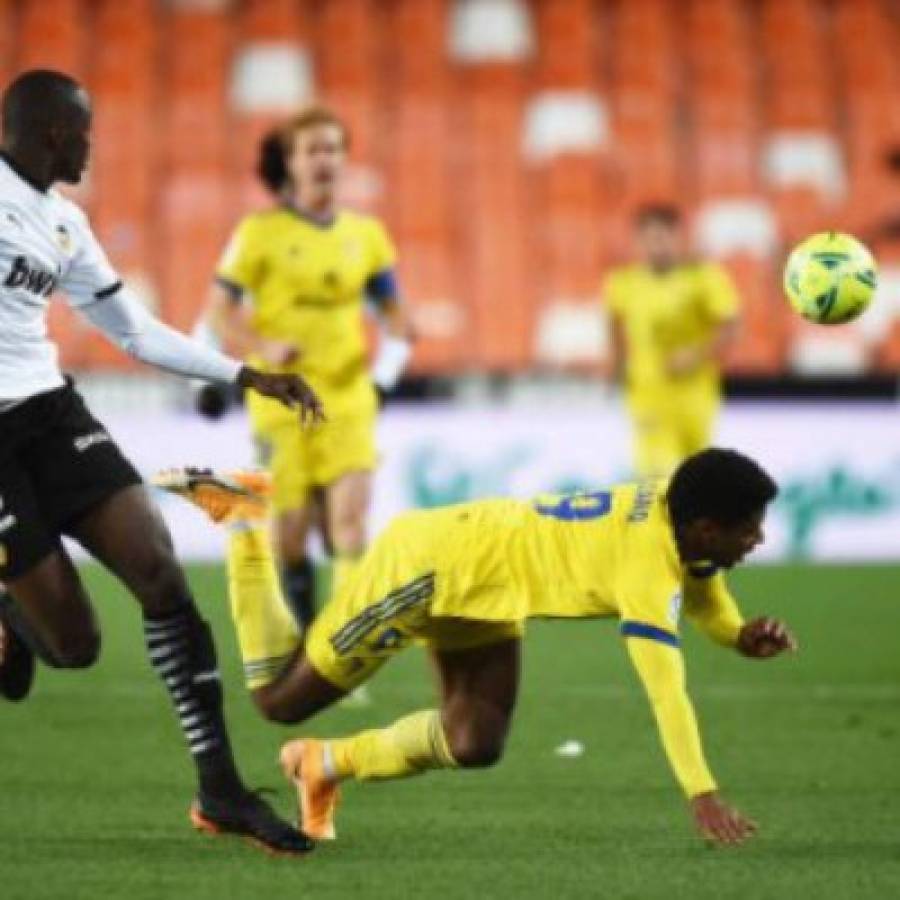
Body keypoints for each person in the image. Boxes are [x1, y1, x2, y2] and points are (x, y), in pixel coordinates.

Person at [157, 448, 797, 847]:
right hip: (429, 571)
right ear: (707, 526)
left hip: (489, 590)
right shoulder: (645, 571)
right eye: (749, 529)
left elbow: (704, 584)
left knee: (475, 742)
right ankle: (244, 518)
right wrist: (702, 793)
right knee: (278, 701)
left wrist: (739, 637)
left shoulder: (676, 514)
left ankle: (321, 765)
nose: (758, 540)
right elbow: (666, 691)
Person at [0, 69, 324, 855]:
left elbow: (136, 332)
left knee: (160, 572)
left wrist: (245, 374)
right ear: (52, 132)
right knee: (75, 647)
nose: (91, 145)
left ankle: (220, 789)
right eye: (84, 132)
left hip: (50, 410)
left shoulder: (62, 221)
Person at [203, 108, 414, 635]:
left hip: (346, 396)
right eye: (311, 150)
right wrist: (261, 344)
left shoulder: (366, 235)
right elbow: (218, 311)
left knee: (349, 522)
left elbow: (397, 317)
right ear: (291, 163)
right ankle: (304, 633)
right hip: (280, 400)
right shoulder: (257, 233)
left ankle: (343, 645)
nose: (324, 159)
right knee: (289, 535)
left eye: (332, 149)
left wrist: (386, 371)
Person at [603, 205, 740, 478]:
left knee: (697, 477)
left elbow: (730, 325)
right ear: (638, 242)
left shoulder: (704, 278)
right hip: (648, 392)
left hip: (696, 393)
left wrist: (697, 354)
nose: (657, 246)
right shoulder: (623, 282)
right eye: (649, 239)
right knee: (658, 477)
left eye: (663, 237)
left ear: (678, 237)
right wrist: (616, 366)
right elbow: (614, 324)